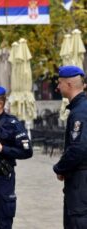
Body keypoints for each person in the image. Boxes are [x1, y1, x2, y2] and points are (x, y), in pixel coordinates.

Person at [0, 86, 33, 229]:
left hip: (3, 179)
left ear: (0, 104)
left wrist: (3, 149)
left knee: (4, 221)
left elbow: (27, 151)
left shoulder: (12, 124)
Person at [53, 66, 87, 228]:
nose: (57, 87)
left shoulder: (79, 112)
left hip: (81, 181)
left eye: (60, 83)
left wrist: (60, 168)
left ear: (69, 84)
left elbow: (78, 148)